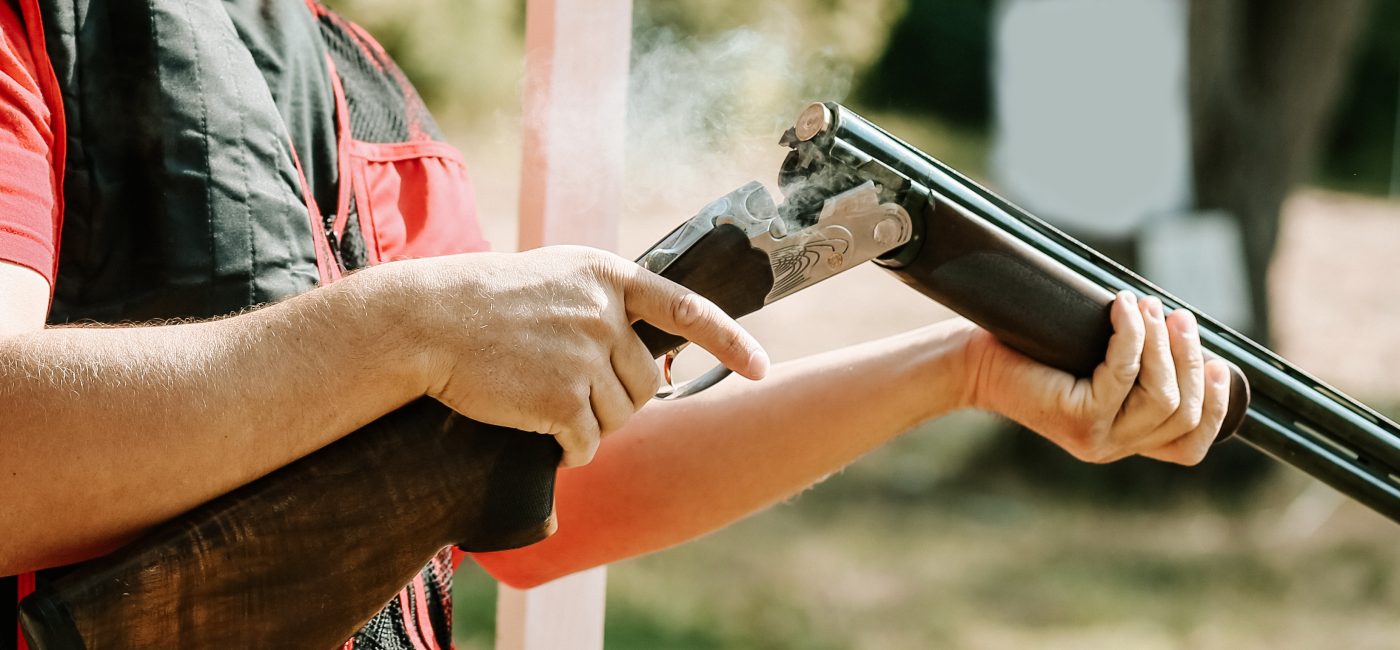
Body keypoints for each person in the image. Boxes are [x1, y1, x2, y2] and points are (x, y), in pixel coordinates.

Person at [0, 0, 1234, 647]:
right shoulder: (33, 28)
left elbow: (545, 498)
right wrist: (408, 329)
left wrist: (962, 368)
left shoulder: (357, 83)